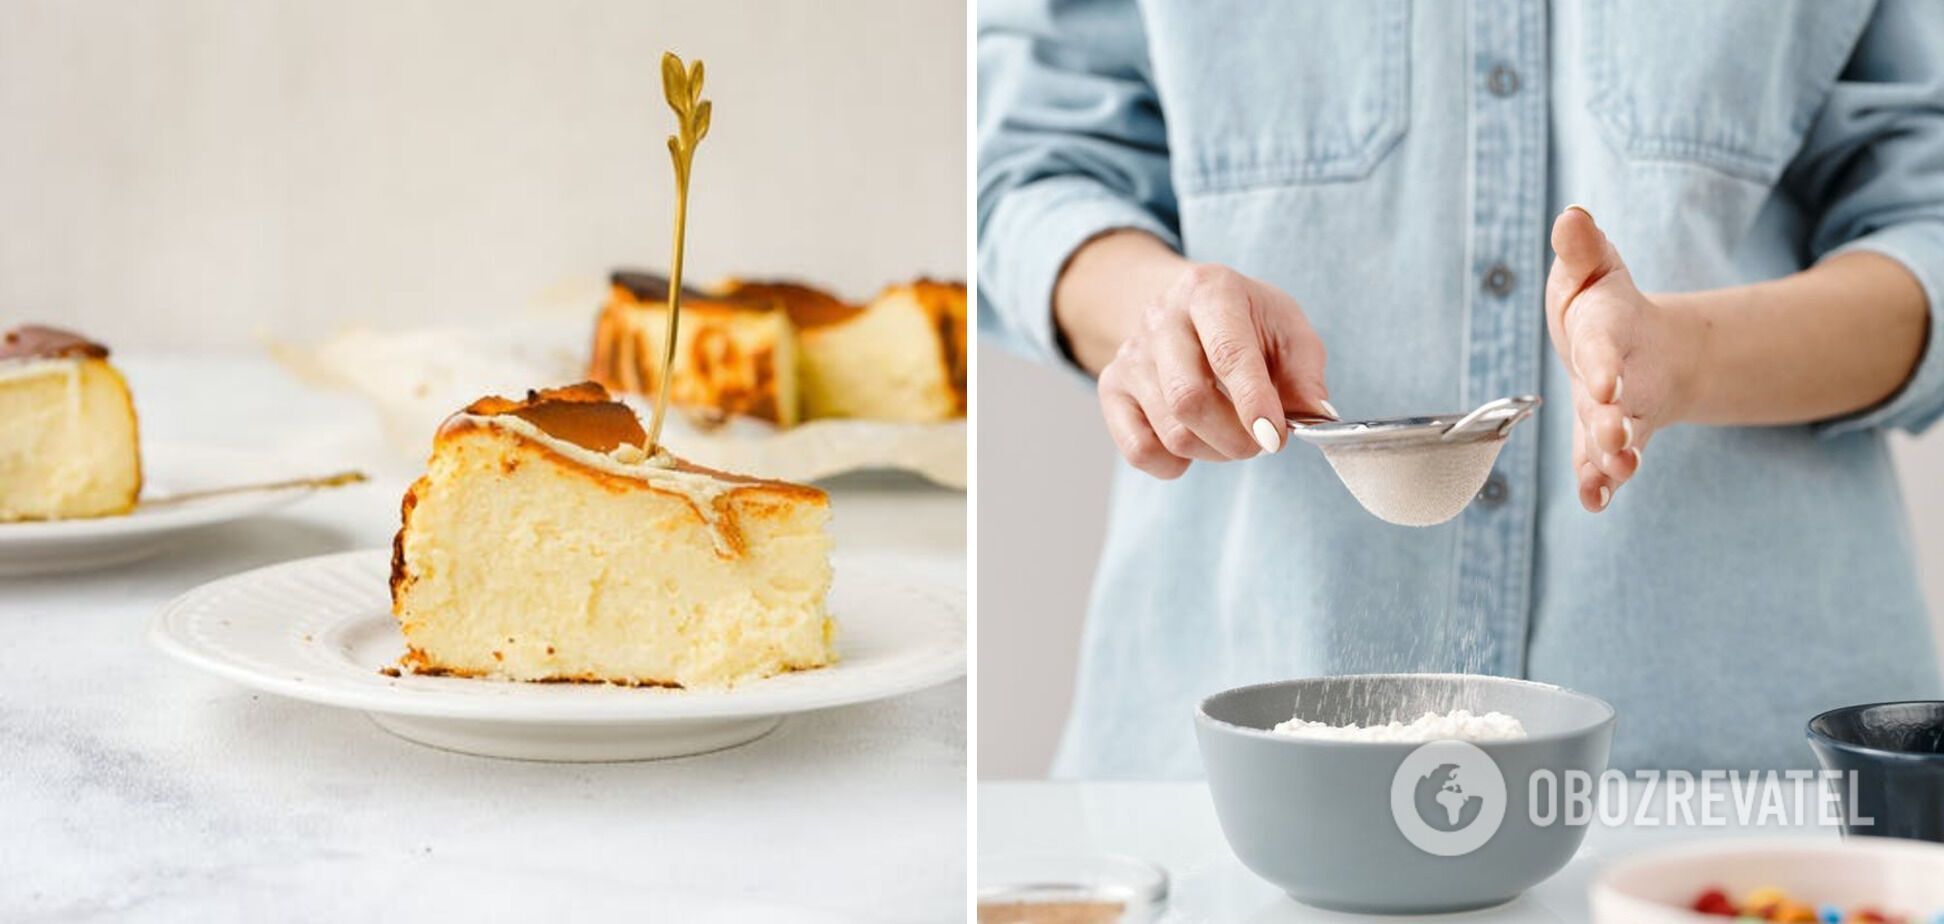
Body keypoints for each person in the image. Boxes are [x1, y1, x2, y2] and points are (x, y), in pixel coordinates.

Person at [978, 0, 1944, 778]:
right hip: (1236, 782)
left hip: (1726, 787)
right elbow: (1030, 173)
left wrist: (1688, 359)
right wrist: (1162, 312)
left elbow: (1927, 219)